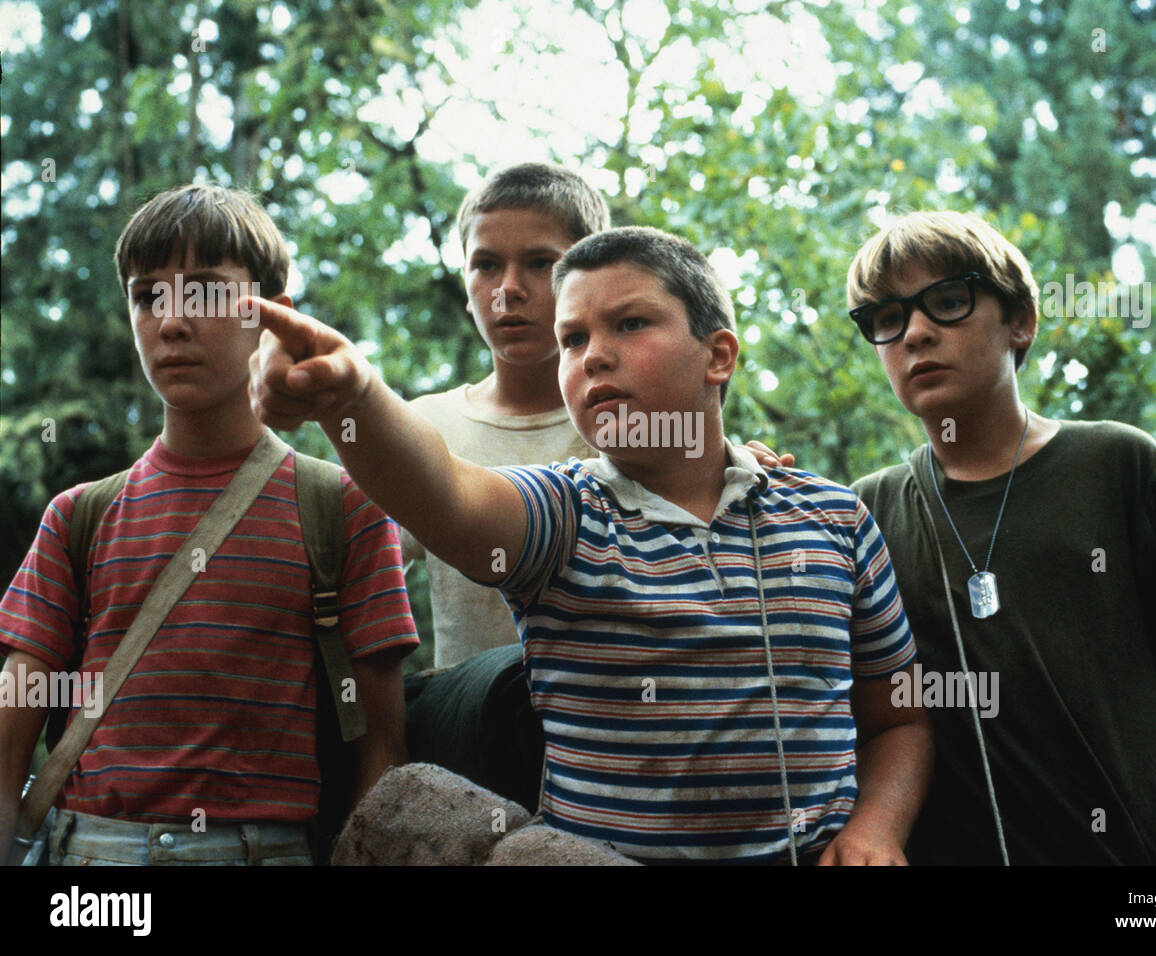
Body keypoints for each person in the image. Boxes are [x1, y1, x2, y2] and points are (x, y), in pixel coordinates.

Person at [246, 225, 932, 864]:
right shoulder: (565, 514)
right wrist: (351, 396)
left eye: (630, 324)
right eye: (572, 339)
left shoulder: (836, 519)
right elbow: (446, 494)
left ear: (718, 355)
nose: (594, 354)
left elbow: (899, 717)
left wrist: (876, 827)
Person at [0, 184, 420, 865]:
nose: (171, 321)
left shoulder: (342, 508)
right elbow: (8, 744)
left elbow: (382, 751)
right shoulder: (78, 518)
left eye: (205, 293)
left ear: (275, 316)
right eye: (147, 296)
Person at [845, 210, 1156, 865]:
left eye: (948, 302)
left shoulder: (1118, 464)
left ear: (1021, 321)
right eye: (887, 319)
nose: (916, 333)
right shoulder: (862, 514)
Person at [404, 163, 604, 669]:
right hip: (467, 739)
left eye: (540, 263)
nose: (508, 289)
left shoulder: (633, 426)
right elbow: (353, 582)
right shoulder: (423, 428)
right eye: (486, 265)